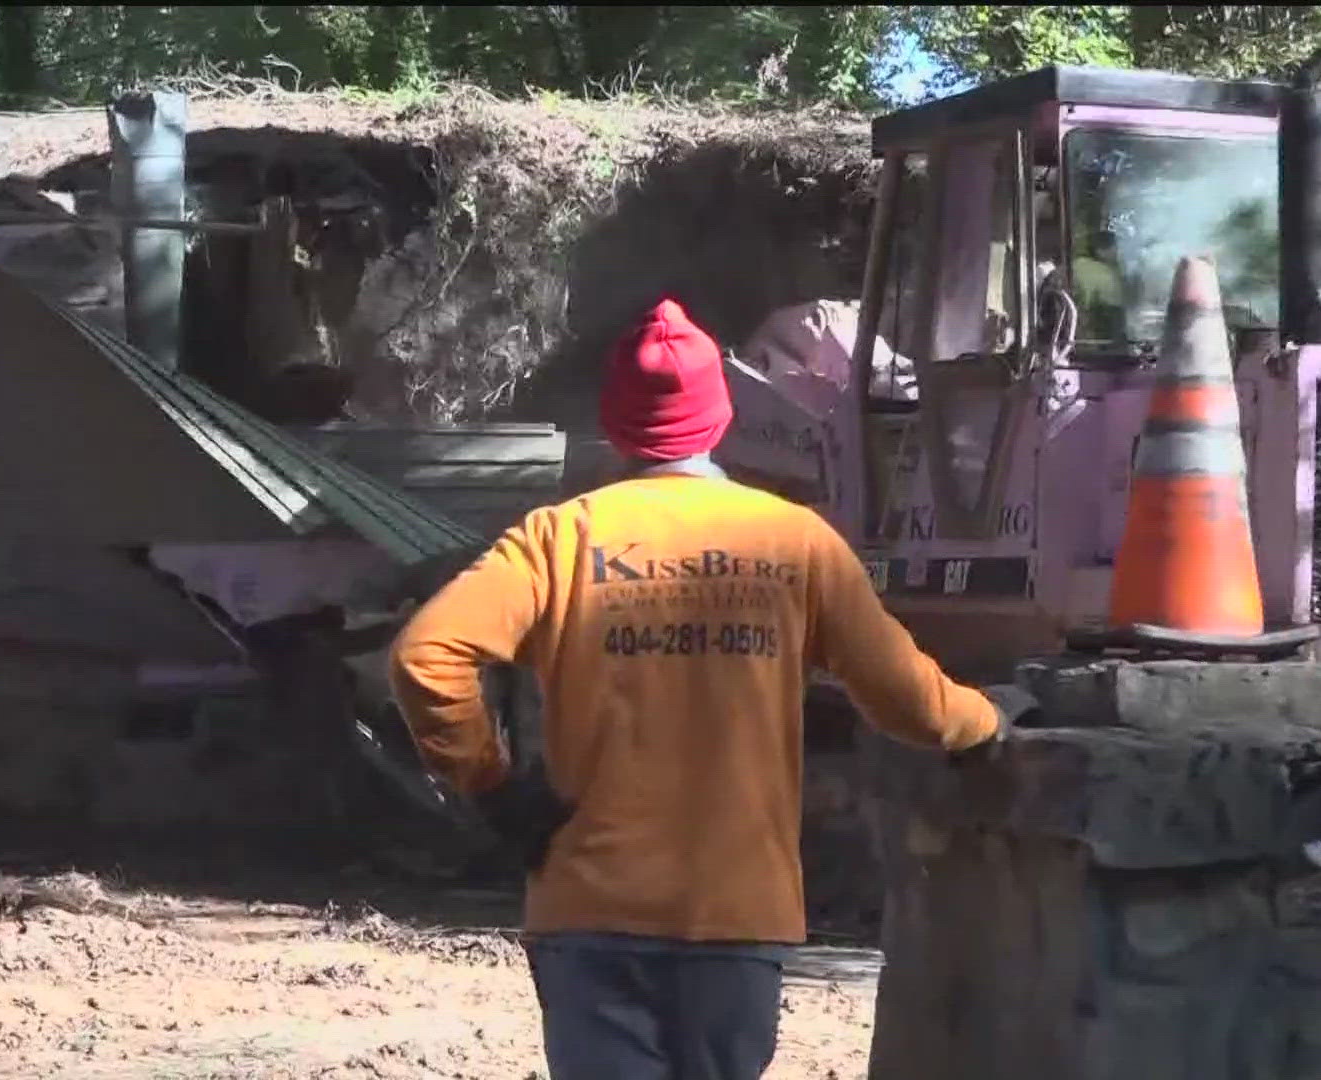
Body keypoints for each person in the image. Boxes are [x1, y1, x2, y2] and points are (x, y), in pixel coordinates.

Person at [387, 297, 1030, 1080]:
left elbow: (426, 654)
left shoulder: (559, 539)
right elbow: (907, 697)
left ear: (618, 425)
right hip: (737, 914)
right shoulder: (793, 543)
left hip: (590, 910)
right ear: (721, 419)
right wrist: (985, 724)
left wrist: (490, 785)